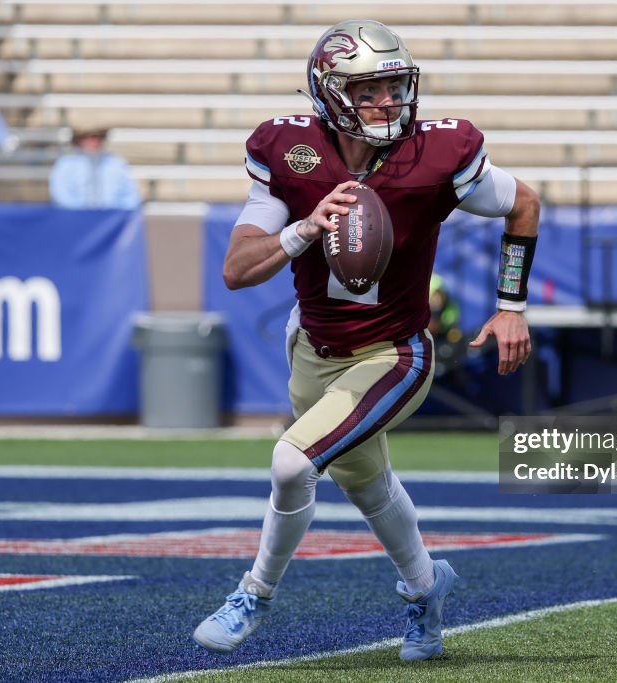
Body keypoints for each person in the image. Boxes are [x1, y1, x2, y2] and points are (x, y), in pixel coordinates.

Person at [192, 19, 540, 661]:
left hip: (395, 354)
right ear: (328, 93)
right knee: (366, 481)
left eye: (395, 87)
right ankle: (426, 589)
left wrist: (511, 304)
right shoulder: (289, 150)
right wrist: (304, 228)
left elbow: (524, 204)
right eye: (371, 89)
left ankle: (254, 594)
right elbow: (237, 269)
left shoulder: (435, 152)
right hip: (312, 345)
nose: (389, 102)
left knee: (293, 463)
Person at [48, 127, 141, 209]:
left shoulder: (115, 162)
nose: (94, 142)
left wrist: (118, 213)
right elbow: (61, 195)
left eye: (97, 138)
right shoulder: (66, 163)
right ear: (79, 140)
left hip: (111, 217)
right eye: (89, 138)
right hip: (75, 216)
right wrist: (83, 213)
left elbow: (130, 194)